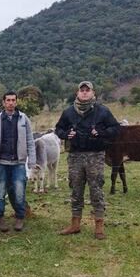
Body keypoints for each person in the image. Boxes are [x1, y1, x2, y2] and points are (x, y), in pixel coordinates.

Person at [54, 81, 120, 239]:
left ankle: (99, 226)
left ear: (93, 93)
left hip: (95, 156)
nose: (84, 93)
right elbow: (58, 128)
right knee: (76, 190)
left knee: (96, 189)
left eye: (87, 90)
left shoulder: (102, 111)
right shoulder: (69, 112)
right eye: (81, 90)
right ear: (77, 93)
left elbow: (116, 128)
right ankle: (75, 224)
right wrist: (65, 134)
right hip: (75, 156)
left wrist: (101, 132)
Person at [0, 91, 36, 232]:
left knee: (20, 190)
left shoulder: (23, 119)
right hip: (1, 162)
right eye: (8, 100)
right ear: (3, 103)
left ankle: (19, 217)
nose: (10, 103)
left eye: (13, 100)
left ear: (16, 102)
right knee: (1, 191)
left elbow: (30, 141)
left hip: (18, 162)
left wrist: (31, 161)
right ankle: (0, 218)